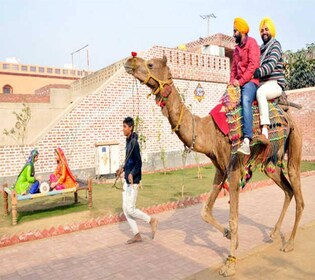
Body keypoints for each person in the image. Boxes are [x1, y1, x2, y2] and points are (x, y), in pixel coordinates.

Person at [116, 117, 158, 244]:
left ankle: (151, 220)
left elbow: (138, 163)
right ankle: (137, 235)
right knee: (125, 208)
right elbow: (129, 160)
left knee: (130, 209)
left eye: (124, 127)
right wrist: (122, 169)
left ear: (130, 128)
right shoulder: (128, 141)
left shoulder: (134, 143)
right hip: (126, 180)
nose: (123, 129)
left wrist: (133, 174)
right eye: (123, 126)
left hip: (133, 181)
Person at [230, 18, 260, 155]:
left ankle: (247, 139)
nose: (233, 34)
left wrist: (240, 82)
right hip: (238, 83)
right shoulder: (236, 49)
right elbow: (233, 69)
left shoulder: (252, 43)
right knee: (225, 102)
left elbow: (253, 66)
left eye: (235, 31)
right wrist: (231, 83)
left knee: (245, 100)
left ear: (242, 31)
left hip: (251, 82)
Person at [254, 17, 285, 139]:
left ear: (271, 30)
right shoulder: (260, 49)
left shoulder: (275, 45)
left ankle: (265, 129)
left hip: (275, 84)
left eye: (266, 29)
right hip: (263, 83)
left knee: (260, 93)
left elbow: (270, 66)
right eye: (262, 30)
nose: (264, 32)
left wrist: (256, 73)